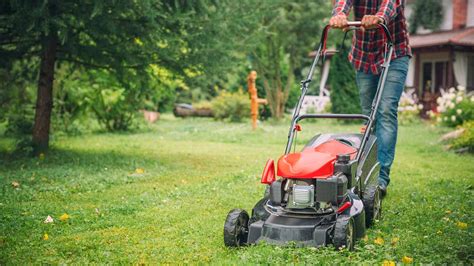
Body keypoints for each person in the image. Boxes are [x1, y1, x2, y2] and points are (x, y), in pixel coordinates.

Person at [329, 0, 411, 196]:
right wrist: (340, 14)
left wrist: (380, 18)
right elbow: (343, 1)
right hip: (364, 56)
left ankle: (381, 178)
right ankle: (367, 174)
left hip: (394, 53)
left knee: (385, 110)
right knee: (369, 116)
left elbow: (390, 4)